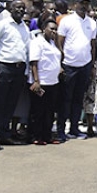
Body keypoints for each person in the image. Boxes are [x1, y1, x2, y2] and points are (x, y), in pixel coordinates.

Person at [0, 0, 31, 147]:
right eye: (17, 7)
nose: (20, 10)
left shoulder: (25, 28)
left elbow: (26, 51)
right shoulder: (2, 25)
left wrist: (26, 71)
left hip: (19, 69)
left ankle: (4, 135)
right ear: (10, 9)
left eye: (23, 8)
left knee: (11, 104)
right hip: (4, 67)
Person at [57, 0, 96, 141]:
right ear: (75, 4)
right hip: (69, 66)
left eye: (86, 3)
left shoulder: (92, 23)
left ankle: (74, 128)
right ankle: (61, 130)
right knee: (65, 99)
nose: (84, 6)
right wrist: (61, 62)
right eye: (81, 3)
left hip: (84, 66)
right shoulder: (67, 21)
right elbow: (59, 42)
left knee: (78, 100)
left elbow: (92, 46)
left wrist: (92, 65)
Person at [28, 17, 63, 145]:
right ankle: (36, 136)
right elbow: (34, 62)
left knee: (49, 111)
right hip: (41, 82)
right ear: (43, 29)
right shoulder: (37, 42)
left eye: (56, 30)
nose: (54, 31)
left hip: (53, 82)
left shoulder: (53, 43)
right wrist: (36, 81)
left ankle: (47, 135)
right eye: (52, 29)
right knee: (38, 111)